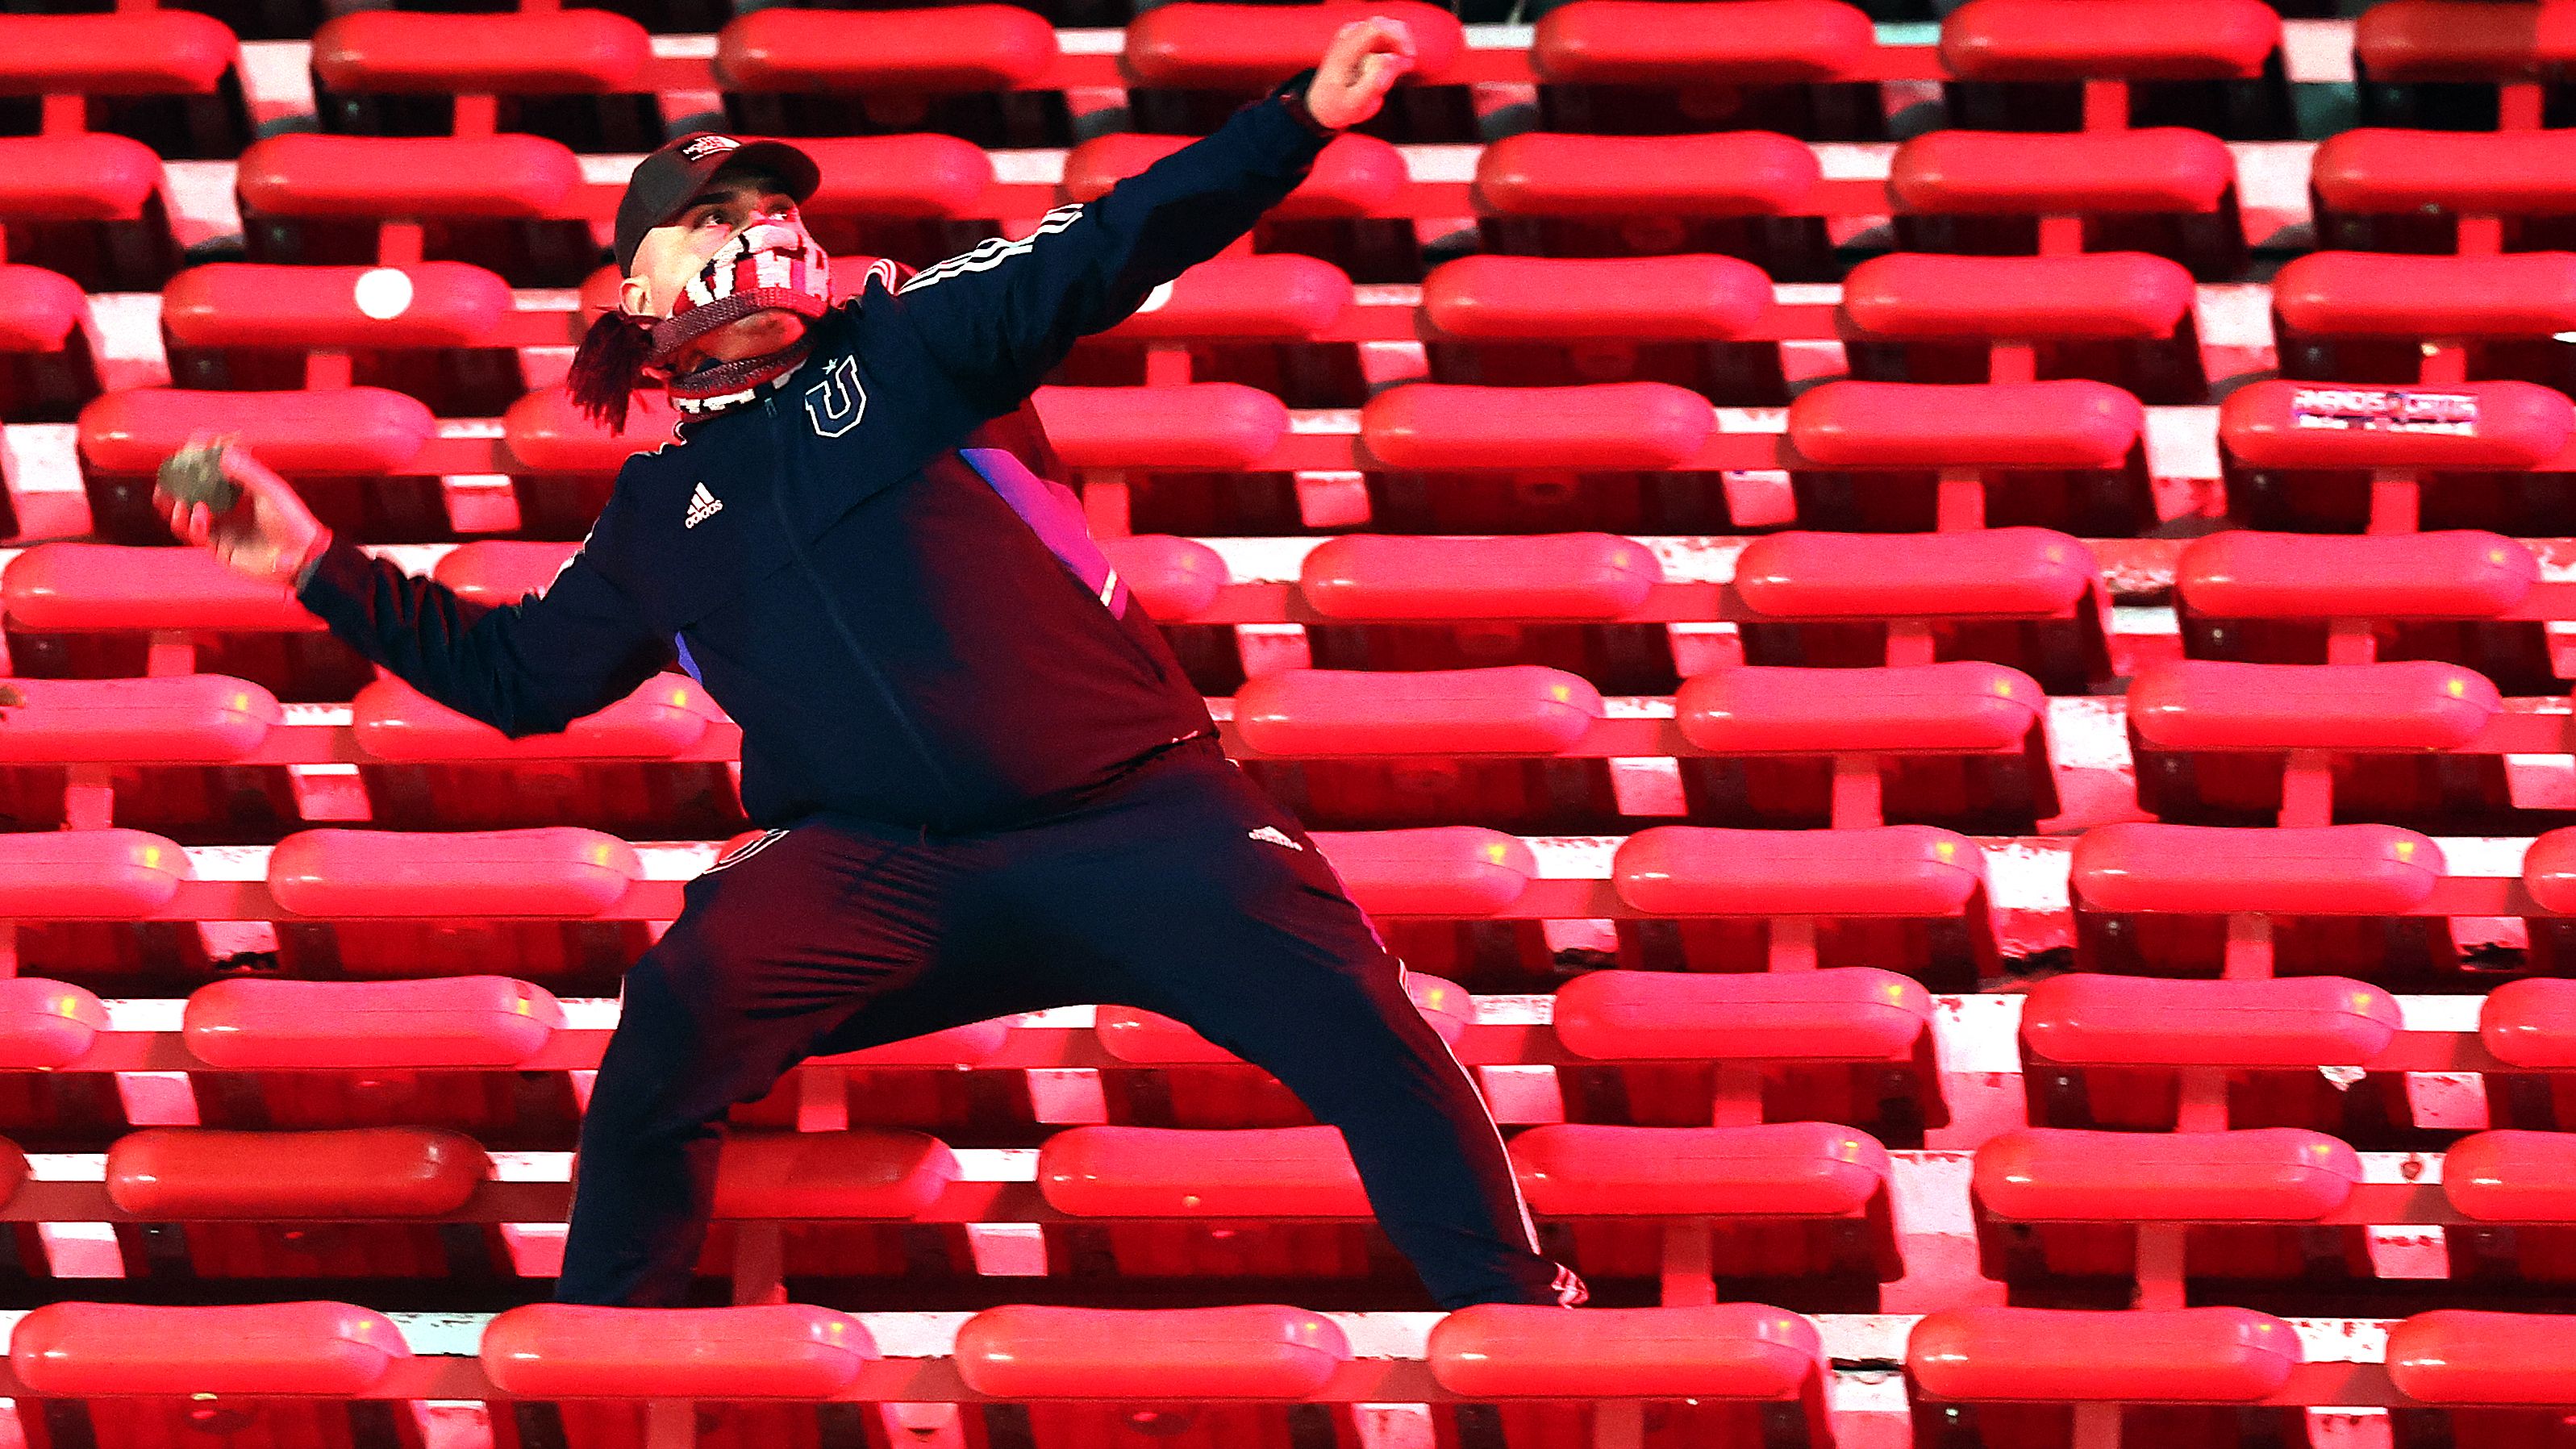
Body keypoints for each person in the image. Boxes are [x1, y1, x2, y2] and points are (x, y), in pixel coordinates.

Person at [160, 18, 1586, 1312]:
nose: (760, 229)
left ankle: (1528, 1322)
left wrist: (1298, 119)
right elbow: (521, 678)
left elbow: (1117, 238)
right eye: (714, 215)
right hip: (883, 869)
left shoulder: (914, 339)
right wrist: (310, 563)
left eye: (776, 207)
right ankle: (611, 1352)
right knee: (675, 1012)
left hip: (1142, 819)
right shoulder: (661, 507)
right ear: (637, 280)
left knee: (1372, 1031)